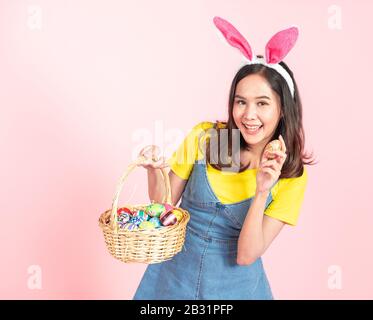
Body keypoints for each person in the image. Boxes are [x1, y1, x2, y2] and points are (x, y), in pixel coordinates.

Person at [132, 16, 314, 300]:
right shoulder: (210, 139)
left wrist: (262, 189)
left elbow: (246, 255)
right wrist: (153, 169)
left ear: (282, 110)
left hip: (237, 291)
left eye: (262, 103)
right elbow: (162, 207)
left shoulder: (290, 173)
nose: (248, 115)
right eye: (241, 101)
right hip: (172, 282)